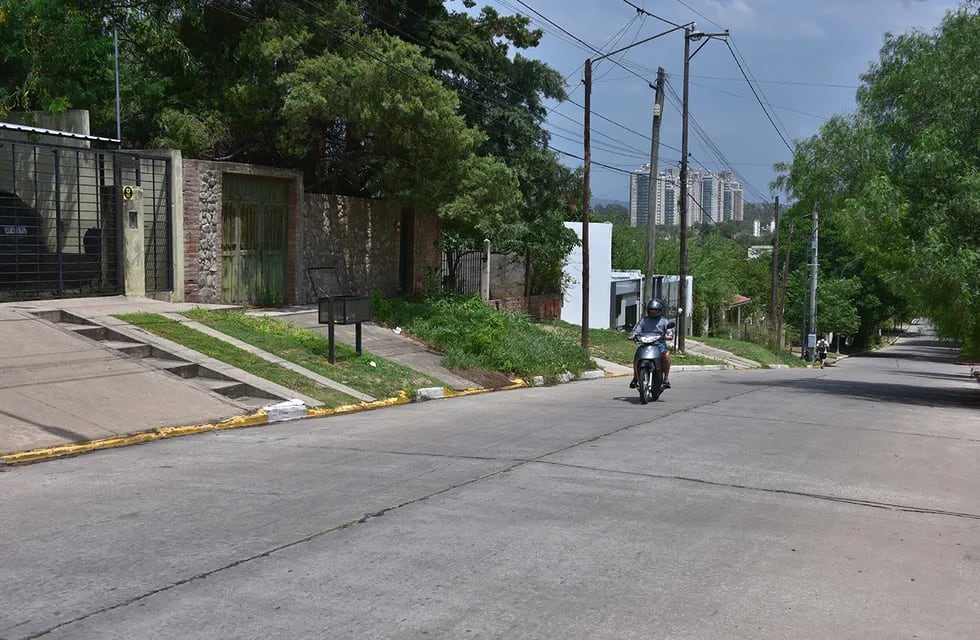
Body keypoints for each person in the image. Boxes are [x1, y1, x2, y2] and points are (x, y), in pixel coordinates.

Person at [628, 298, 672, 389]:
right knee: (637, 356)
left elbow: (670, 333)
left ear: (659, 311)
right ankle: (635, 378)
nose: (653, 312)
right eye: (651, 309)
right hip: (645, 344)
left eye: (655, 310)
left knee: (666, 355)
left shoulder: (664, 321)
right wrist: (633, 336)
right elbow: (635, 331)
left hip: (659, 344)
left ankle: (666, 379)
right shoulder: (644, 320)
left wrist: (667, 336)